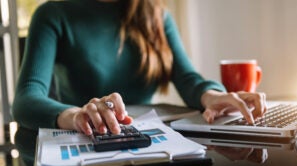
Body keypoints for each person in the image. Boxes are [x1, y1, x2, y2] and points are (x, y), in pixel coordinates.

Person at [12, 0, 267, 136]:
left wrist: (214, 96)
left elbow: (187, 78)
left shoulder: (156, 14)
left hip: (151, 141)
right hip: (85, 139)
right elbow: (26, 98)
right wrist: (76, 116)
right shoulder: (52, 15)